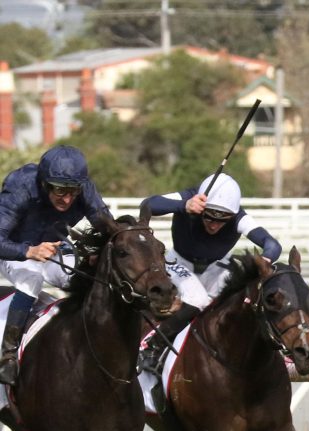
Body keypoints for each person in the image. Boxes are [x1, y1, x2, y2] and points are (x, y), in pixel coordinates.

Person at [137, 173, 282, 374]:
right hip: (178, 261)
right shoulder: (190, 196)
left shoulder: (239, 217)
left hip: (216, 266)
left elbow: (272, 244)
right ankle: (151, 345)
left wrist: (265, 260)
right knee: (198, 299)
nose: (214, 225)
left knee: (243, 300)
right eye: (209, 217)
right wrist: (184, 206)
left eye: (222, 220)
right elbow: (148, 205)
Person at [0, 145, 113, 385]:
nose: (68, 199)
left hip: (53, 249)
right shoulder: (21, 187)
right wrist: (29, 251)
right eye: (60, 190)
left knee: (87, 277)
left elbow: (108, 227)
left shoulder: (85, 188)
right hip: (13, 251)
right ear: (44, 184)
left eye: (73, 191)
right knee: (32, 278)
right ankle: (8, 355)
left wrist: (100, 253)